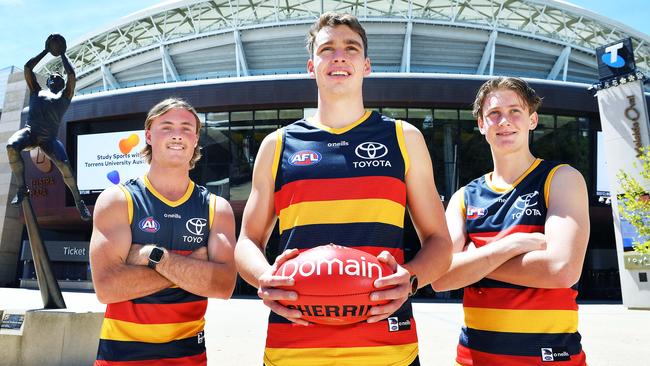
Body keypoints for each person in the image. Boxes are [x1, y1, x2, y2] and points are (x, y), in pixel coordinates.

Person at [234, 12, 452, 366]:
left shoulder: (403, 138)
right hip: (294, 346)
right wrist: (265, 278)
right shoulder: (277, 144)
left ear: (366, 65)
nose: (339, 56)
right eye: (327, 49)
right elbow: (248, 241)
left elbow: (439, 243)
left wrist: (410, 279)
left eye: (351, 48)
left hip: (387, 348)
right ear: (311, 65)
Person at [432, 77, 589, 365]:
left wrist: (473, 260)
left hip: (550, 358)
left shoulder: (561, 179)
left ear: (532, 120)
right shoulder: (464, 197)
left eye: (515, 111)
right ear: (481, 125)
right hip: (474, 358)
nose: (504, 120)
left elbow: (561, 269)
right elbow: (440, 278)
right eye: (494, 114)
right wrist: (514, 245)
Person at [89, 98, 237, 365]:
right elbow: (107, 288)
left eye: (186, 128)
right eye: (166, 126)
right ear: (148, 135)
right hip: (120, 358)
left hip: (188, 357)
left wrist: (153, 256)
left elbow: (223, 286)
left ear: (195, 139)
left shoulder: (217, 208)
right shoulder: (118, 200)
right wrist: (192, 268)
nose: (177, 135)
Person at [6, 34, 91, 220]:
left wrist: (61, 54)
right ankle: (22, 188)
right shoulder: (37, 91)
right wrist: (46, 50)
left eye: (56, 76)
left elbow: (71, 75)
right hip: (30, 132)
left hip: (48, 139)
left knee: (65, 167)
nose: (53, 77)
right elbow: (28, 68)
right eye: (51, 76)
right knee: (11, 146)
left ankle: (79, 202)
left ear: (60, 83)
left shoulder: (64, 97)